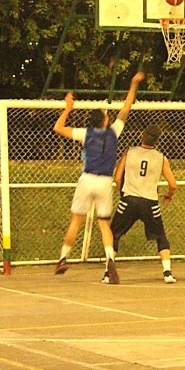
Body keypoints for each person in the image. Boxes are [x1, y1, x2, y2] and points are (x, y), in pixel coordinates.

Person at [53, 72, 145, 283]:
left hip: (87, 179)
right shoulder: (114, 132)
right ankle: (110, 261)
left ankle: (63, 258)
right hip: (105, 181)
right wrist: (132, 84)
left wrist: (67, 109)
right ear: (104, 120)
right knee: (104, 224)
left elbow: (58, 128)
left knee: (76, 220)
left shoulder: (85, 133)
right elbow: (127, 107)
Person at [106, 124, 178, 284]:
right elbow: (173, 184)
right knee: (160, 236)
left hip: (129, 200)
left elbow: (117, 177)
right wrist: (169, 195)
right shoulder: (161, 158)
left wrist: (124, 193)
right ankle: (167, 273)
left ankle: (107, 273)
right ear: (157, 141)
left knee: (113, 234)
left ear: (141, 136)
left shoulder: (129, 152)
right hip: (150, 202)